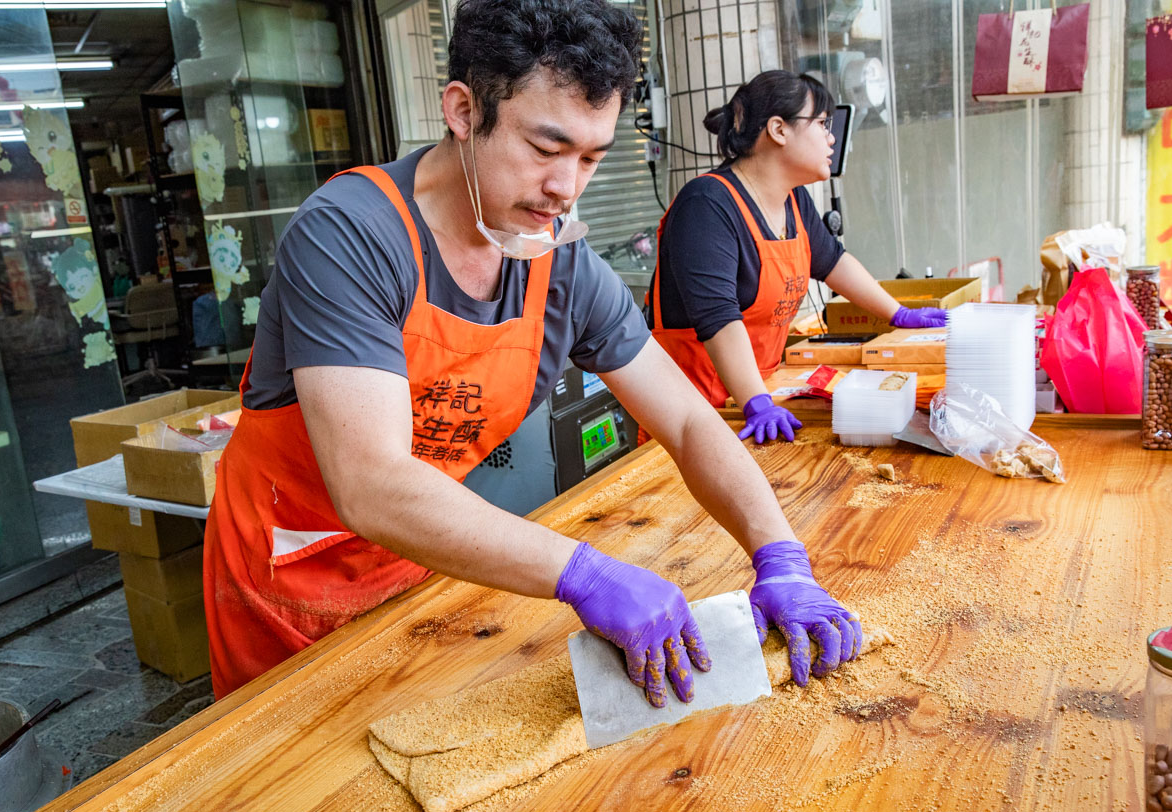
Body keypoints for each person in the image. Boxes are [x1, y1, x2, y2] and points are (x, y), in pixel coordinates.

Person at [203, 0, 859, 704]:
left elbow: (691, 421)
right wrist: (584, 573)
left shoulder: (560, 266)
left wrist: (779, 553)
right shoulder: (351, 237)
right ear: (462, 110)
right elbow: (370, 482)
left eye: (591, 158)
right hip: (289, 586)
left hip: (426, 558)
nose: (565, 188)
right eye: (545, 150)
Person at [645, 71, 945, 444]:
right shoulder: (706, 205)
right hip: (692, 413)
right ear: (778, 130)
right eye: (822, 123)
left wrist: (898, 314)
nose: (832, 137)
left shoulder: (794, 200)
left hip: (754, 403)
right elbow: (718, 319)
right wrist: (757, 403)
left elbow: (834, 262)